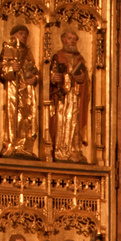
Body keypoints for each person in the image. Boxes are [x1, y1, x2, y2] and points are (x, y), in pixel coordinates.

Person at [44, 29, 91, 162]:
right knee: (63, 121)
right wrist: (54, 78)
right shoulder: (58, 57)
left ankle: (74, 150)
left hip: (75, 96)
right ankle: (60, 150)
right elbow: (51, 75)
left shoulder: (80, 58)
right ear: (63, 40)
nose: (72, 41)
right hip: (62, 98)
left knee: (74, 122)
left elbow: (86, 80)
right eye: (69, 38)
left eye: (74, 39)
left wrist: (82, 79)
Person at [0, 24, 42, 159]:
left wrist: (35, 78)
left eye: (26, 35)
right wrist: (11, 68)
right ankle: (12, 145)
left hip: (27, 91)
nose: (24, 37)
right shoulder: (8, 49)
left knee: (27, 118)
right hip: (13, 89)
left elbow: (34, 69)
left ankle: (25, 147)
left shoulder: (27, 52)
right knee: (15, 117)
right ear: (13, 35)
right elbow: (2, 71)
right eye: (21, 34)